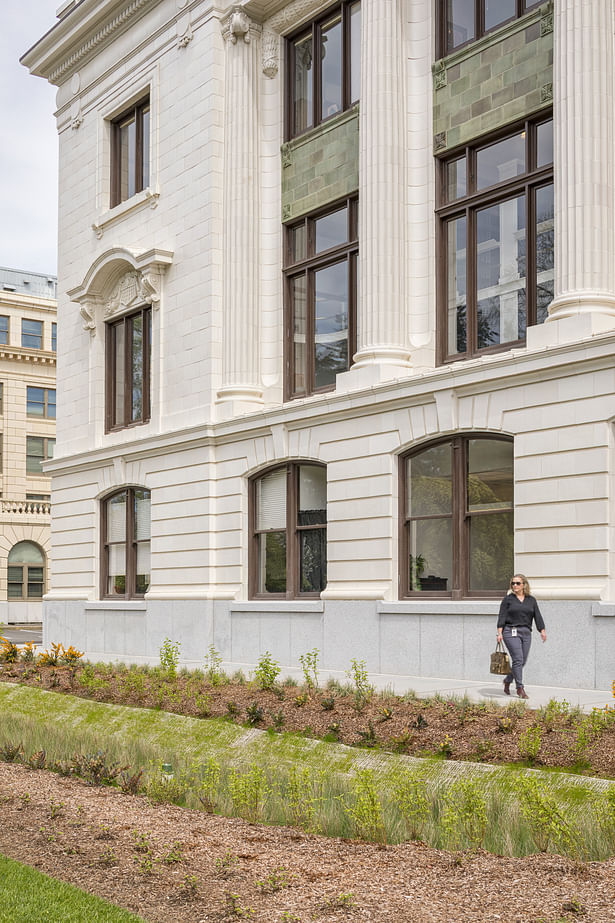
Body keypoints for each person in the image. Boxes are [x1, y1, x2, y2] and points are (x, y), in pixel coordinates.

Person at [496, 574, 546, 699]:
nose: (515, 586)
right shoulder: (508, 599)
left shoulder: (531, 600)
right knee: (518, 659)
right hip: (510, 631)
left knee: (522, 661)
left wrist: (542, 630)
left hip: (526, 632)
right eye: (513, 583)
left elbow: (537, 616)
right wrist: (500, 633)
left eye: (517, 583)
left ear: (524, 585)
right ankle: (520, 688)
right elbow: (501, 616)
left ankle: (508, 680)